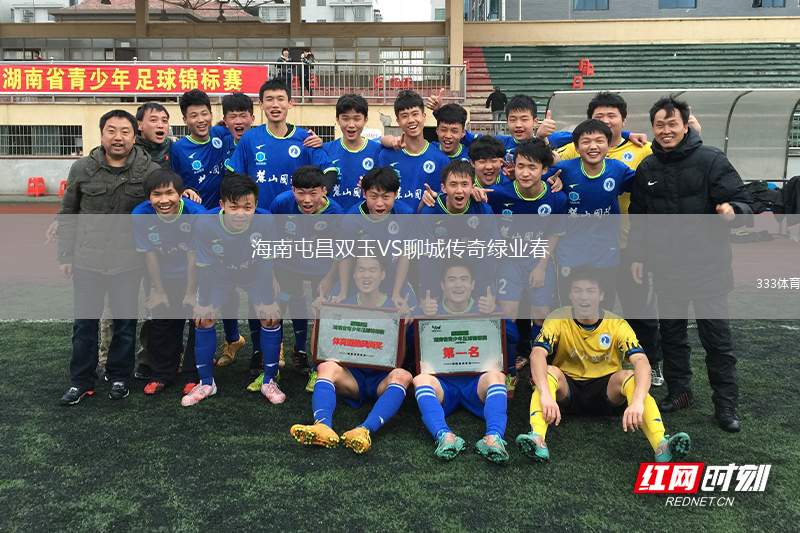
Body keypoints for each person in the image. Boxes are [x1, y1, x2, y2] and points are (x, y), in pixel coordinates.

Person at [629, 96, 752, 433]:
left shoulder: (711, 159)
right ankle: (680, 392)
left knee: (717, 340)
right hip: (666, 268)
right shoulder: (648, 167)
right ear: (653, 128)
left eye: (672, 124)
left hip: (708, 267)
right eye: (660, 125)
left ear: (686, 126)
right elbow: (639, 218)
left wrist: (733, 211)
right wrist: (637, 256)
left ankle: (726, 404)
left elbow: (743, 201)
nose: (666, 130)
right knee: (672, 336)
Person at [515, 268, 692, 463]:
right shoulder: (558, 318)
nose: (584, 297)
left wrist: (637, 401)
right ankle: (537, 439)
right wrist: (546, 395)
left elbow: (641, 362)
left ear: (601, 295)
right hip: (568, 391)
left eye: (590, 291)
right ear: (570, 295)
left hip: (607, 393)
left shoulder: (616, 324)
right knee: (549, 372)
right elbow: (537, 354)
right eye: (578, 290)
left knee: (629, 376)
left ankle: (661, 444)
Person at [557, 91, 665, 386]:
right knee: (586, 304)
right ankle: (585, 361)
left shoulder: (639, 150)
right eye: (599, 117)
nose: (605, 121)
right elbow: (547, 158)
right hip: (583, 249)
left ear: (623, 120)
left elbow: (658, 172)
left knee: (636, 306)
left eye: (611, 116)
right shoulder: (572, 155)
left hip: (629, 244)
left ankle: (650, 362)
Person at [57, 109, 160, 405]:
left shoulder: (149, 170)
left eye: (125, 131)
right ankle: (81, 381)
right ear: (101, 134)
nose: (118, 137)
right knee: (84, 325)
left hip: (129, 262)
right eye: (111, 131)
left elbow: (161, 206)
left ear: (134, 136)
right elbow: (69, 212)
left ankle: (119, 377)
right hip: (87, 260)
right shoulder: (82, 168)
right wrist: (65, 255)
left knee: (125, 324)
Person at [290, 256, 413, 454]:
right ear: (354, 275)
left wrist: (403, 325)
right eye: (361, 270)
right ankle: (322, 426)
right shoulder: (341, 305)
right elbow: (318, 353)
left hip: (380, 380)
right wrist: (319, 318)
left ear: (382, 274)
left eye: (372, 270)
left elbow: (398, 360)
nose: (366, 275)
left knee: (403, 375)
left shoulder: (394, 308)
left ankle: (364, 430)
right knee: (326, 367)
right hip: (352, 378)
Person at [184, 175, 285, 406]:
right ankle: (206, 383)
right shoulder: (205, 223)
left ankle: (269, 380)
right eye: (234, 207)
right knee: (203, 318)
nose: (241, 213)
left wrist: (268, 300)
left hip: (254, 273)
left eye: (247, 207)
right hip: (219, 275)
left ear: (256, 205)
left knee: (270, 317)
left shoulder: (266, 221)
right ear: (222, 205)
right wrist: (203, 302)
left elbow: (266, 262)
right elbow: (204, 266)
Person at [170, 89, 246, 371]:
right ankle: (196, 351)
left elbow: (241, 129)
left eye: (204, 113)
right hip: (198, 225)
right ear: (185, 119)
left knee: (229, 281)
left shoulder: (222, 134)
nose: (200, 119)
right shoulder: (178, 149)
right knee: (203, 283)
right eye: (194, 115)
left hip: (228, 221)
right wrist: (183, 190)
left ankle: (232, 338)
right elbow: (173, 182)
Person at [255, 166, 343, 393]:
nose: (306, 199)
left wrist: (329, 279)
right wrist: (272, 276)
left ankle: (317, 369)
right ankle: (271, 372)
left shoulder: (336, 212)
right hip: (287, 267)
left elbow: (340, 252)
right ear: (292, 189)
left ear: (324, 191)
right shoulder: (281, 203)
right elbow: (270, 239)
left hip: (321, 271)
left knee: (321, 314)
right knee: (278, 310)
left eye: (313, 193)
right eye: (300, 193)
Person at [413, 262, 510, 463]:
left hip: (476, 384)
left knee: (496, 376)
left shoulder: (484, 308)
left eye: (464, 279)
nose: (458, 285)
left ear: (473, 284)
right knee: (421, 379)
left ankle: (494, 438)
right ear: (442, 285)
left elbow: (513, 336)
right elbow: (407, 345)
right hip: (443, 385)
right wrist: (420, 317)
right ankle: (444, 436)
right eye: (452, 279)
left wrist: (495, 314)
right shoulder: (431, 310)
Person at [487, 140, 567, 359]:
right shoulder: (499, 194)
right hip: (509, 261)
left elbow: (554, 234)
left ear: (544, 169)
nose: (525, 172)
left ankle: (538, 362)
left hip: (539, 260)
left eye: (532, 167)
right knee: (508, 312)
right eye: (521, 166)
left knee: (541, 313)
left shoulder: (556, 198)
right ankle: (510, 364)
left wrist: (540, 267)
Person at [132, 169, 205, 395]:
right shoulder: (140, 214)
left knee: (198, 322)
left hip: (196, 274)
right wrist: (158, 290)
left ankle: (193, 374)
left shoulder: (196, 214)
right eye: (157, 194)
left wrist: (191, 293)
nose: (164, 200)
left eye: (169, 193)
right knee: (162, 323)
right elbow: (149, 253)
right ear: (148, 197)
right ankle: (163, 374)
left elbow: (194, 255)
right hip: (162, 276)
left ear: (181, 194)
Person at [548, 119, 635, 302]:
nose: (593, 146)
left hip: (606, 253)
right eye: (586, 142)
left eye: (599, 141)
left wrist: (628, 135)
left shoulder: (618, 169)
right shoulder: (564, 170)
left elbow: (645, 183)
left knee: (605, 304)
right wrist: (550, 182)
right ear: (577, 147)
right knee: (569, 306)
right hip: (570, 253)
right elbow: (536, 180)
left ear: (609, 145)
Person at [225, 78, 322, 210]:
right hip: (259, 215)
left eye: (280, 99)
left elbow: (328, 172)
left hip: (296, 215)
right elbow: (232, 178)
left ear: (290, 103)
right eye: (269, 99)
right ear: (261, 104)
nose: (275, 105)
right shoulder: (249, 138)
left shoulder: (306, 138)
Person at [377, 90, 451, 211]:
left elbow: (446, 199)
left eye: (415, 114)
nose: (411, 120)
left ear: (424, 116)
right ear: (398, 121)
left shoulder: (441, 160)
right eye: (404, 116)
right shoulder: (386, 156)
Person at [312, 93, 385, 211]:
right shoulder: (325, 150)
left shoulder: (378, 151)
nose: (351, 125)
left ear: (365, 119)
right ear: (337, 119)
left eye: (357, 119)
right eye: (345, 119)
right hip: (333, 216)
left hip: (364, 218)